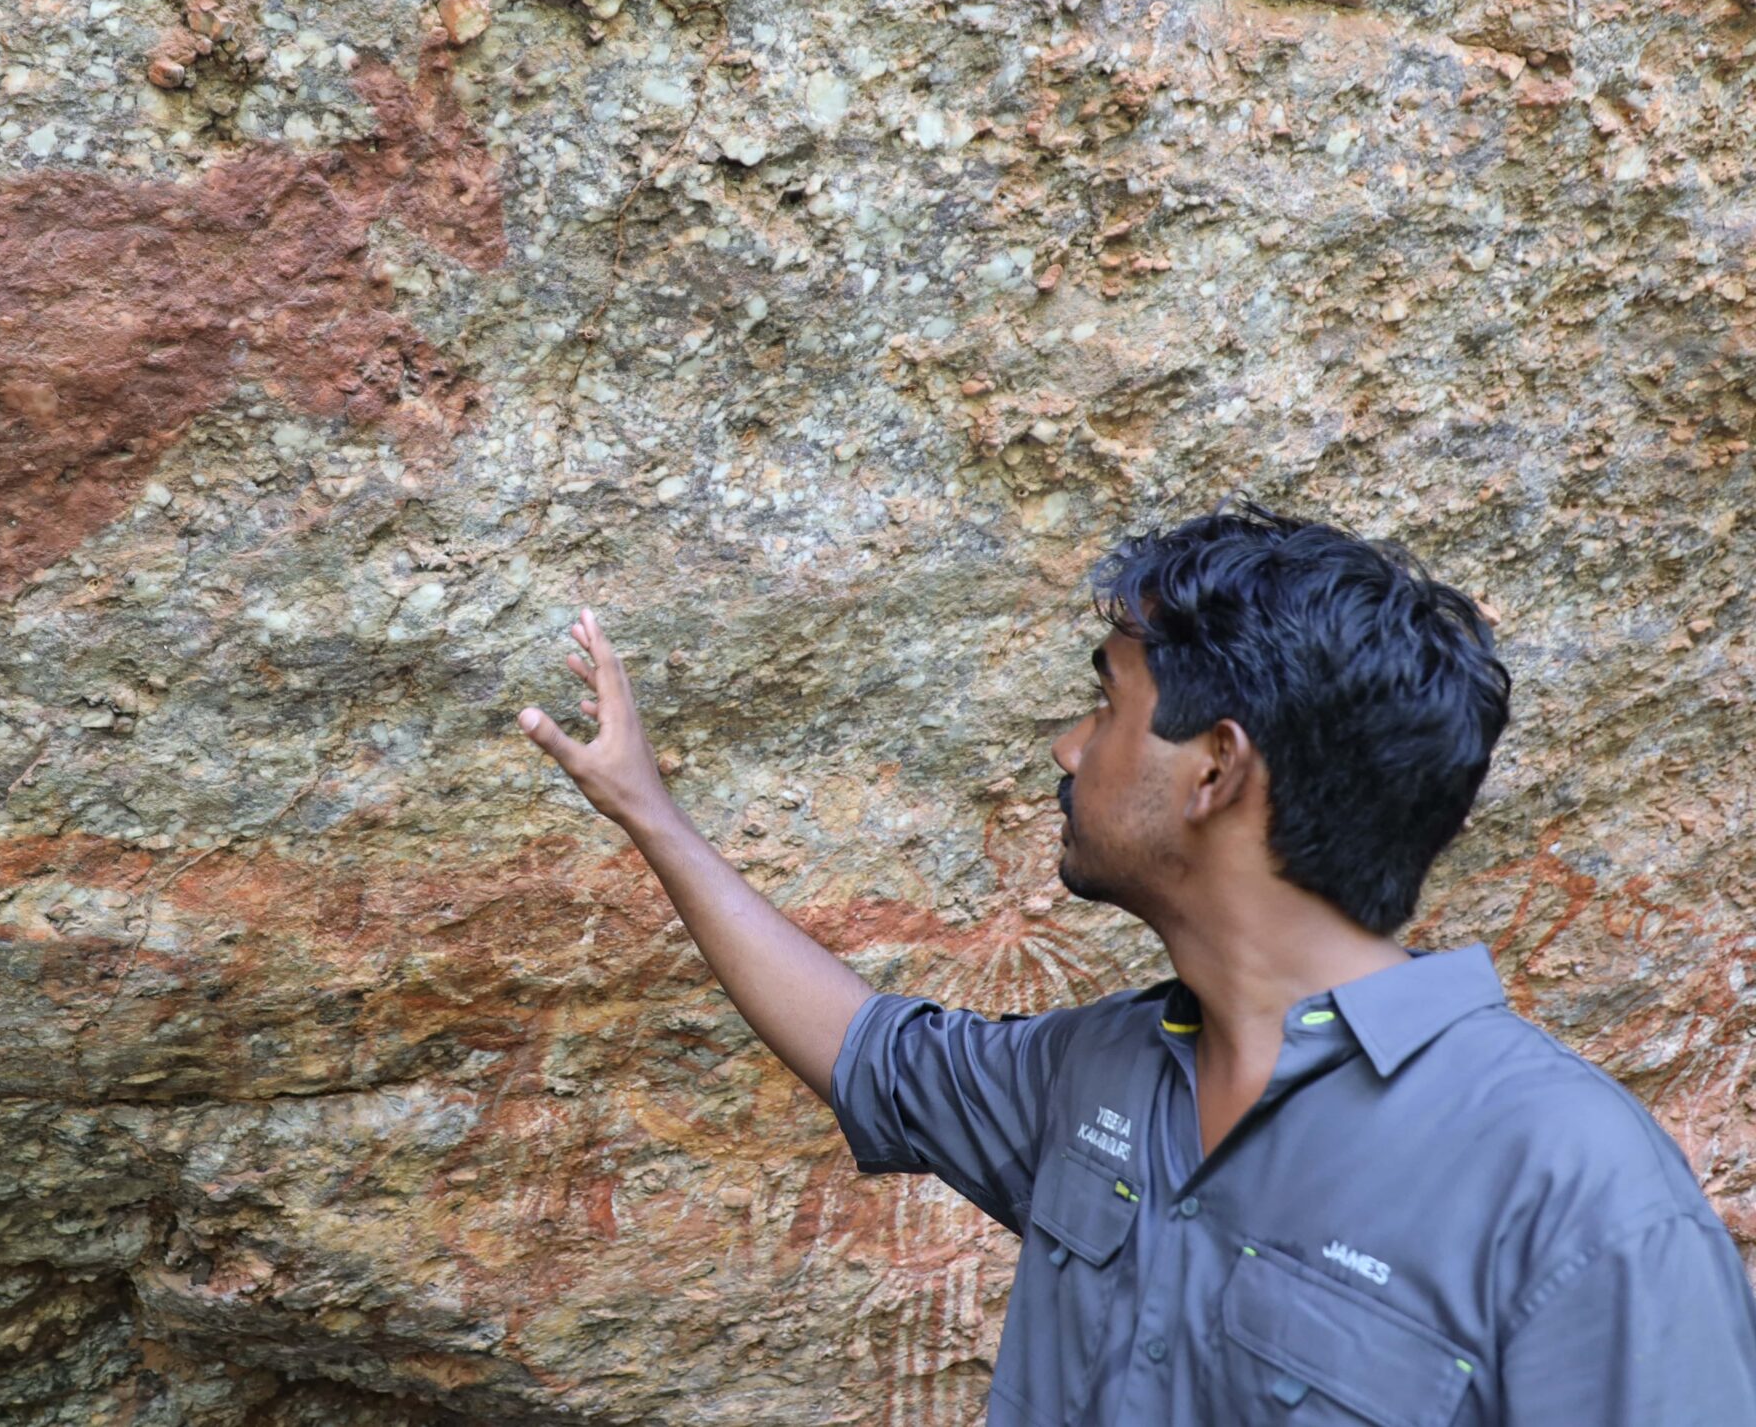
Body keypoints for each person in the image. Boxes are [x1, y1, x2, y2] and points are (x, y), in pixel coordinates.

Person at [516, 499, 1756, 1424]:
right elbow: (868, 1053)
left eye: (1104, 701)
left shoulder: (1574, 1193)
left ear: (1214, 768)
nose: (1065, 745)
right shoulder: (1100, 1074)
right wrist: (651, 818)